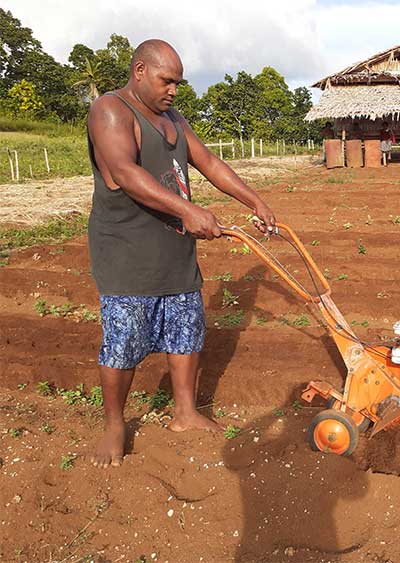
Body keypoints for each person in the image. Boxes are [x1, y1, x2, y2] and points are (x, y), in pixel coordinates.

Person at [86, 39, 276, 468]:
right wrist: (187, 209)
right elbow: (124, 172)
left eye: (178, 82)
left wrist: (255, 201)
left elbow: (207, 161)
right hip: (127, 249)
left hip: (173, 245)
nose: (173, 90)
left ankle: (185, 413)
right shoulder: (111, 110)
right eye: (165, 80)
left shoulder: (172, 117)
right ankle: (115, 425)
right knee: (124, 340)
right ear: (139, 71)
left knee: (185, 330)